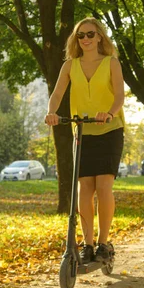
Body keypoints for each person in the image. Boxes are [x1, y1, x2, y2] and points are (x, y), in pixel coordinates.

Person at [44, 17, 125, 264]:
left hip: (109, 130)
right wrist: (51, 112)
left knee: (103, 186)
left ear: (100, 36)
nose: (86, 39)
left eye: (90, 34)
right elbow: (57, 93)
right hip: (82, 131)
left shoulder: (111, 63)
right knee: (84, 189)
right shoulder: (70, 65)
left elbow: (120, 95)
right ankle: (87, 244)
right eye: (81, 36)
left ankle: (103, 242)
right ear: (76, 40)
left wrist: (109, 113)